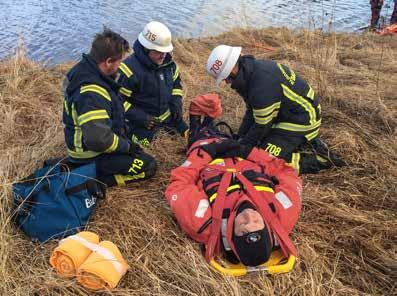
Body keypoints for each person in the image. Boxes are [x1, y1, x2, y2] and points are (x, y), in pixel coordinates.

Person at [165, 94, 301, 267]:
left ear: (230, 235)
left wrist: (205, 154)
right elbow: (288, 175)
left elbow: (179, 184)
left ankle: (197, 125)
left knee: (203, 135)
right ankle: (210, 125)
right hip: (240, 151)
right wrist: (250, 153)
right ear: (267, 227)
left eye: (242, 226)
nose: (248, 216)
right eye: (257, 222)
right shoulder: (282, 214)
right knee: (224, 134)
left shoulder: (203, 223)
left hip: (207, 155)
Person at [206, 45, 346, 175]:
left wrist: (242, 149)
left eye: (225, 78)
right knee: (253, 145)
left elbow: (262, 126)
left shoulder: (261, 85)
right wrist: (240, 137)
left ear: (232, 70)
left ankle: (321, 159)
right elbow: (252, 111)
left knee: (262, 160)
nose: (227, 82)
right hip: (287, 115)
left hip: (302, 121)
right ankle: (303, 142)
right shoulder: (251, 73)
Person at [63, 28, 157, 187]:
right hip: (89, 155)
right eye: (120, 61)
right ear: (107, 62)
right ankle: (97, 181)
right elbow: (98, 139)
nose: (121, 65)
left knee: (138, 150)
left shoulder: (87, 72)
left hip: (93, 146)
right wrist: (126, 147)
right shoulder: (91, 93)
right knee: (148, 165)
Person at [117, 21, 189, 147]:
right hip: (140, 123)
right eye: (158, 52)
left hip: (167, 118)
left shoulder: (169, 65)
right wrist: (140, 117)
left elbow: (176, 86)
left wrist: (176, 103)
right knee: (154, 144)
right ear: (146, 48)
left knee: (188, 133)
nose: (163, 55)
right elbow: (117, 101)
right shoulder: (128, 70)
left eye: (165, 51)